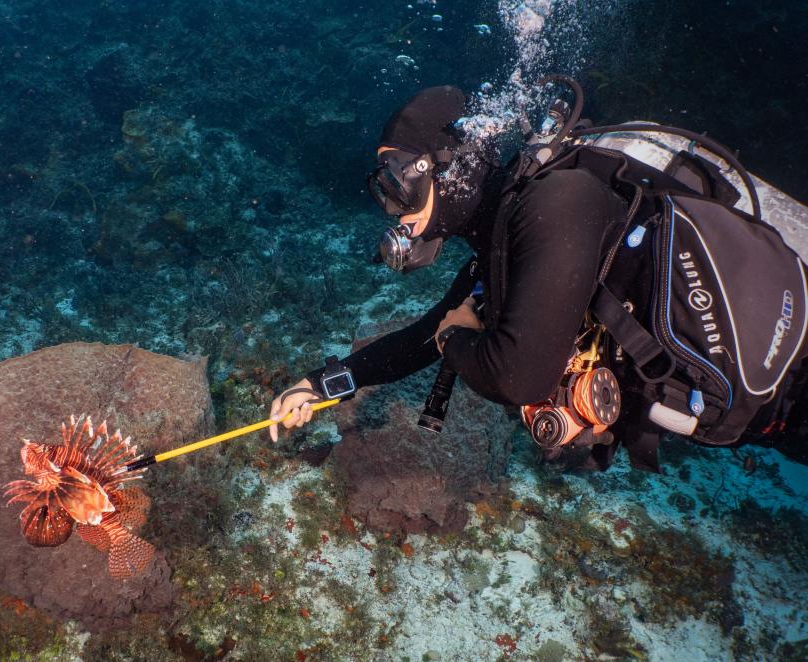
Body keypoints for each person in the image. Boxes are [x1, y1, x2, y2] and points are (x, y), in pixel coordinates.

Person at [268, 83, 808, 471]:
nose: (393, 209)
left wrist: (457, 338)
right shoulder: (510, 232)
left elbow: (515, 378)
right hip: (768, 410)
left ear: (443, 166)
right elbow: (420, 341)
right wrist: (318, 386)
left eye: (394, 183)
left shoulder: (553, 203)